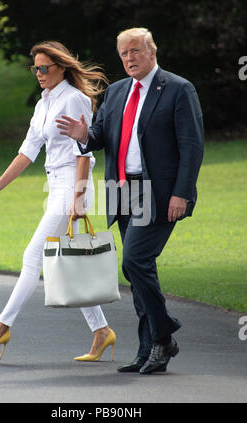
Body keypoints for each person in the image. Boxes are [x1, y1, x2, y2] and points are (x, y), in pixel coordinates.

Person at [56, 27, 204, 374]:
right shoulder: (118, 91)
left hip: (160, 192)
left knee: (135, 262)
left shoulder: (179, 89)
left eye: (135, 51)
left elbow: (192, 147)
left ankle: (164, 336)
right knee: (140, 272)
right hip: (122, 190)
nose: (129, 58)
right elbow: (100, 134)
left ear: (153, 51)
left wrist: (181, 192)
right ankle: (149, 349)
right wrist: (84, 135)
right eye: (123, 53)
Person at [0, 41, 116, 362]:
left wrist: (78, 199)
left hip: (72, 187)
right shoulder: (43, 104)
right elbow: (27, 152)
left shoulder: (75, 98)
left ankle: (0, 327)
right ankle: (102, 331)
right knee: (67, 262)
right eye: (35, 68)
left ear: (61, 67)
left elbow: (84, 153)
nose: (38, 73)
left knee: (33, 256)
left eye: (44, 68)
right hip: (55, 185)